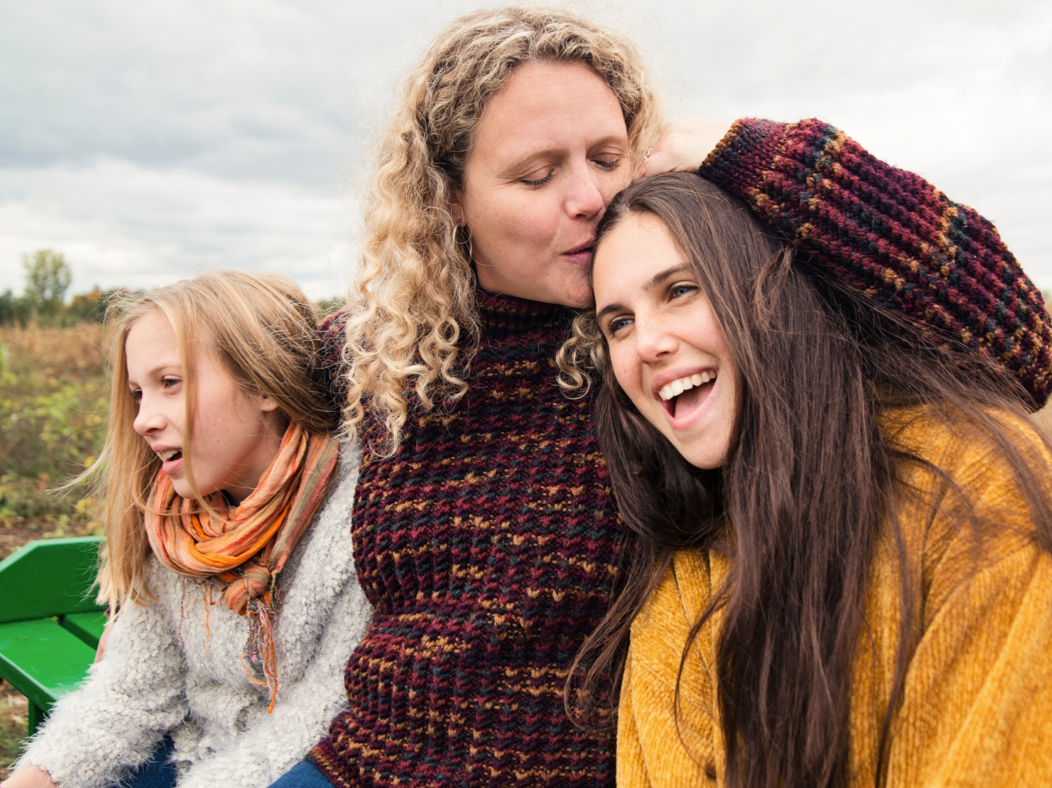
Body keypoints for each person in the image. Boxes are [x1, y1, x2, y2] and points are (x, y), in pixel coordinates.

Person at [274, 8, 1052, 788]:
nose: (587, 196)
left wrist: (756, 157)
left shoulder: (680, 336)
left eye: (607, 156)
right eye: (537, 175)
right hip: (357, 761)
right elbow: (234, 383)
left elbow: (1023, 346)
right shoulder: (388, 347)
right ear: (446, 197)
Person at [560, 160, 1052, 787]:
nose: (647, 343)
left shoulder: (966, 480)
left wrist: (756, 153)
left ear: (770, 288)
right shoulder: (682, 581)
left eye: (680, 290)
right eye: (619, 324)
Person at [5, 272, 370, 788]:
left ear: (264, 384)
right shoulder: (174, 520)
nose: (142, 420)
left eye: (170, 383)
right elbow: (132, 692)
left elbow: (323, 716)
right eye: (137, 393)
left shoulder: (362, 513)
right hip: (197, 748)